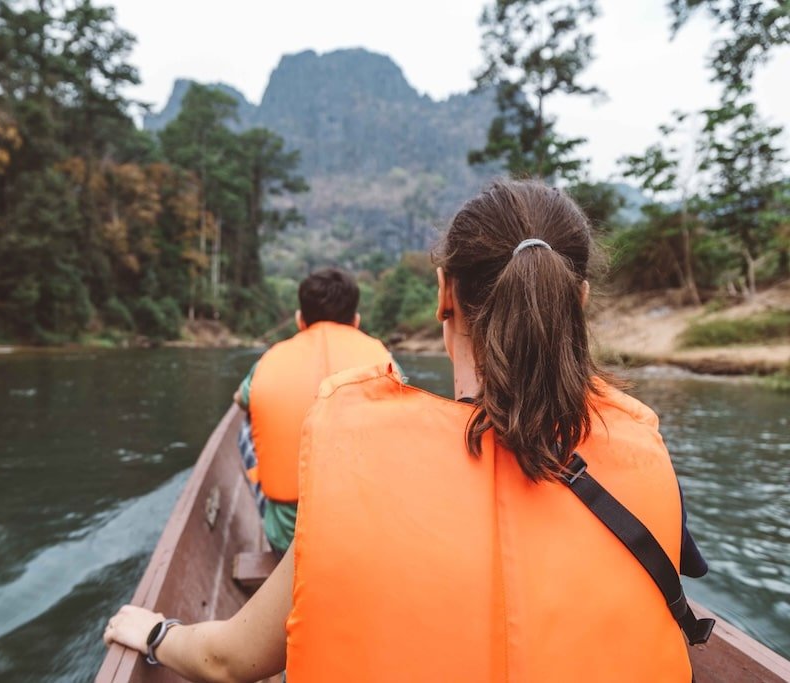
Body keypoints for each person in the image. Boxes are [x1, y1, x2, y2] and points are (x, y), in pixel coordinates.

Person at [103, 180, 708, 682]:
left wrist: (157, 632)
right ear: (578, 300)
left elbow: (228, 659)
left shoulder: (362, 464)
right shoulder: (644, 455)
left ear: (446, 293)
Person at [232, 267, 393, 554]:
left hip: (288, 542)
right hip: (364, 533)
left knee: (245, 421)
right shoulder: (383, 360)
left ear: (299, 320)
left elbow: (240, 399)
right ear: (356, 321)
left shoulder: (270, 360)